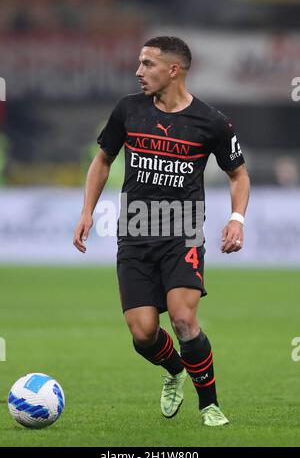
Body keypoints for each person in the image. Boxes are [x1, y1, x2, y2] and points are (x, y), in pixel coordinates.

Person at [73, 36, 250, 427]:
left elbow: (238, 174)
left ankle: (210, 406)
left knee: (184, 318)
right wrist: (87, 211)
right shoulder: (127, 111)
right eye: (139, 64)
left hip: (183, 232)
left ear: (174, 70)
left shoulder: (212, 122)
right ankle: (175, 370)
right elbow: (102, 160)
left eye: (147, 64)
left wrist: (236, 219)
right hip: (134, 233)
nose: (138, 72)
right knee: (143, 333)